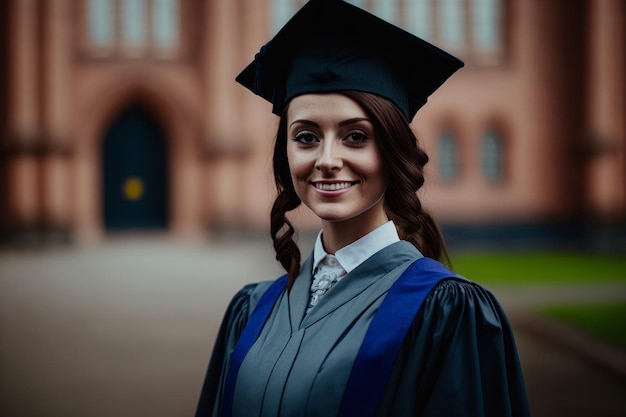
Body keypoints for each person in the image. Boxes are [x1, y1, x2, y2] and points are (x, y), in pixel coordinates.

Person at [195, 1, 531, 416]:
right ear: (286, 155)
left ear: (393, 151)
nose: (327, 159)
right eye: (306, 137)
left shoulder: (445, 315)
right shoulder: (250, 312)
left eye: (355, 136)